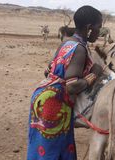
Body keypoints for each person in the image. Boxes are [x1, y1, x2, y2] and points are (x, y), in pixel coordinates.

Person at [27, 5, 103, 160]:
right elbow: (72, 85)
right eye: (98, 27)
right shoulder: (80, 49)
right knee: (52, 151)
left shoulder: (66, 43)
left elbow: (48, 71)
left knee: (40, 148)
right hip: (53, 104)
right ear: (89, 28)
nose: (99, 32)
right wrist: (94, 74)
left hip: (41, 96)